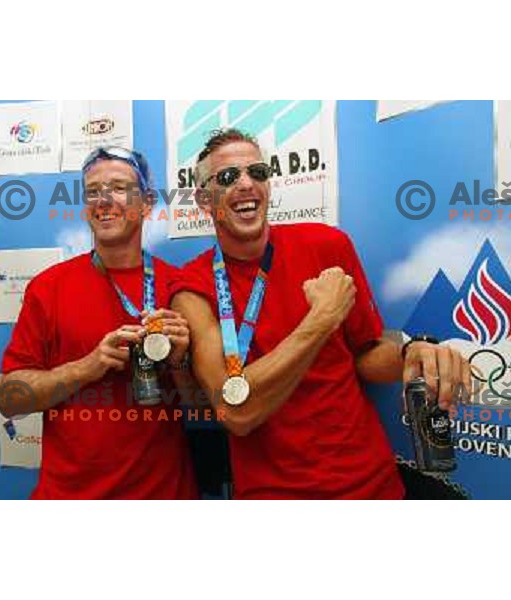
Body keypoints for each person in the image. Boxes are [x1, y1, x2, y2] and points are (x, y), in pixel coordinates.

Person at [170, 128, 471, 500]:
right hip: (274, 494)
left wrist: (411, 354)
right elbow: (237, 412)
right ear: (204, 199)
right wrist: (321, 319)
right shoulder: (191, 287)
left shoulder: (327, 244)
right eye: (229, 177)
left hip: (372, 484)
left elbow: (365, 353)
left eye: (258, 173)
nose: (246, 184)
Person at [0, 146, 198, 500]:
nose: (104, 200)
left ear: (148, 203)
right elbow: (10, 400)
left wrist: (179, 361)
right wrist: (87, 368)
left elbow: (201, 407)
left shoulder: (178, 285)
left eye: (119, 188)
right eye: (92, 192)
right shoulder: (49, 287)